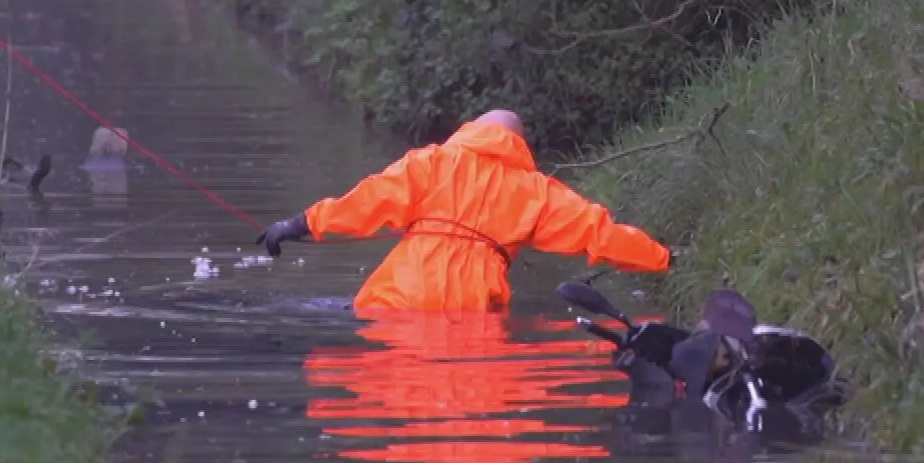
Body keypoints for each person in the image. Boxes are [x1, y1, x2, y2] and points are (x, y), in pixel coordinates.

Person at [256, 109, 673, 314]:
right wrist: (663, 259)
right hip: (472, 302)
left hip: (399, 293)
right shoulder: (538, 192)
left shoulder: (431, 162)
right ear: (518, 143)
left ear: (472, 129)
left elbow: (366, 203)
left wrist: (298, 224)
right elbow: (598, 234)